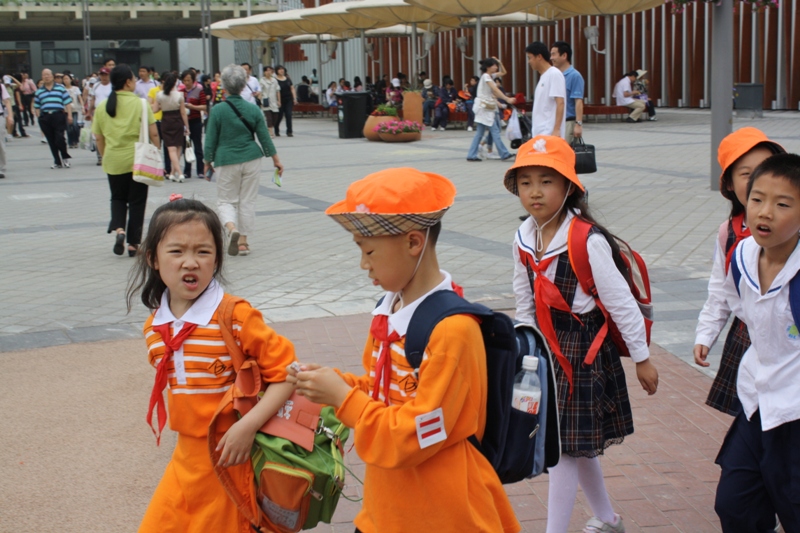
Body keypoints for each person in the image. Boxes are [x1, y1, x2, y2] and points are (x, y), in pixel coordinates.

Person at [287, 168, 521, 533]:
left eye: (368, 251)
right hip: (386, 506)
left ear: (414, 243)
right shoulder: (390, 309)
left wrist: (344, 399)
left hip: (440, 513)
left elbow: (415, 435)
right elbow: (382, 392)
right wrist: (333, 384)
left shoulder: (453, 331)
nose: (364, 264)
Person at [506, 136, 658, 533]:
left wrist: (642, 358)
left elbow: (621, 302)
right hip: (548, 353)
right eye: (525, 182)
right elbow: (523, 303)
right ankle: (608, 519)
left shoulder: (586, 240)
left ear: (569, 186)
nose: (535, 191)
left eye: (546, 181)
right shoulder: (524, 238)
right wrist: (526, 353)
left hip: (584, 353)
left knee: (563, 450)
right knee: (574, 443)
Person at [127, 197, 297, 533]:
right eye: (176, 251)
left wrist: (246, 427)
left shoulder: (235, 316)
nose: (190, 262)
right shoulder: (154, 328)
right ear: (152, 259)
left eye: (203, 252)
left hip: (231, 457)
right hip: (185, 459)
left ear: (217, 259)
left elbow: (288, 375)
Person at [715, 153, 800, 533]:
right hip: (756, 402)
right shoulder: (743, 254)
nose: (765, 212)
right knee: (735, 505)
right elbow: (738, 306)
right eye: (757, 199)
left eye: (782, 204)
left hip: (796, 412)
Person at [694, 128, 784, 416]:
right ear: (730, 185)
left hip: (788, 337)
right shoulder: (729, 233)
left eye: (766, 169)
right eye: (747, 174)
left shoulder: (792, 227)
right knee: (749, 415)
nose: (759, 180)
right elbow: (720, 290)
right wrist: (706, 335)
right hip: (747, 337)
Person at [204, 64, 284, 257]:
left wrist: (207, 161)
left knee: (226, 200)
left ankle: (232, 229)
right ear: (243, 86)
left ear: (223, 85)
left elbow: (210, 138)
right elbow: (264, 136)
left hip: (226, 159)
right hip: (251, 158)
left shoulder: (218, 110)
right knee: (247, 201)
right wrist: (275, 160)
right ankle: (243, 243)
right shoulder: (253, 109)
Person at [92, 64, 160, 257]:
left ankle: (119, 230)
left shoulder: (102, 107)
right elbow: (153, 132)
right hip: (137, 161)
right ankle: (133, 244)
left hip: (113, 160)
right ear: (128, 82)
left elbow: (97, 137)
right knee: (137, 202)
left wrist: (105, 155)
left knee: (117, 198)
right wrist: (157, 151)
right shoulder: (140, 103)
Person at [466, 58, 515, 162]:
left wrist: (500, 62)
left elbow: (504, 72)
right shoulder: (486, 77)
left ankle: (471, 154)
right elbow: (495, 89)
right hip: (485, 108)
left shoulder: (489, 76)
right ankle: (504, 153)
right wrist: (507, 99)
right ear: (488, 67)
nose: (496, 67)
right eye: (494, 65)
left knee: (480, 133)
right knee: (495, 131)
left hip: (484, 108)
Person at [152, 72, 189, 183]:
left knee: (171, 149)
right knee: (178, 148)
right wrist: (187, 126)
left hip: (166, 120)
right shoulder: (179, 95)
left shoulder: (159, 95)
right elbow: (183, 113)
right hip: (177, 121)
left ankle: (174, 173)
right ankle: (179, 173)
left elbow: (155, 110)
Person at [33, 68, 73, 169]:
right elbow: (37, 106)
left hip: (58, 115)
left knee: (60, 137)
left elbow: (67, 102)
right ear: (42, 77)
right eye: (44, 75)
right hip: (45, 117)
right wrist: (39, 117)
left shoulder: (60, 88)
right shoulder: (39, 91)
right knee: (51, 140)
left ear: (52, 76)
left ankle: (65, 158)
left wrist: (69, 115)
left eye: (48, 75)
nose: (46, 77)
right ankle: (57, 161)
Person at [526, 41, 566, 138]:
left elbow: (560, 102)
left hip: (549, 133)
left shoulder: (554, 74)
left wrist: (556, 129)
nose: (529, 61)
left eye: (530, 58)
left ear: (539, 57)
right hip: (540, 134)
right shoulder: (544, 76)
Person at [551, 41, 584, 144]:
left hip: (568, 122)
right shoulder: (554, 75)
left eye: (554, 54)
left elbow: (578, 101)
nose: (551, 58)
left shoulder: (575, 76)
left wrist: (578, 124)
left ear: (564, 55)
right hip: (555, 122)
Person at [180, 69, 207, 179]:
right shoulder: (180, 91)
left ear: (193, 80)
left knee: (197, 146)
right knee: (186, 146)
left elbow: (204, 106)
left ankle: (200, 170)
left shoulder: (199, 90)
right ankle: (187, 171)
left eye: (189, 80)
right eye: (184, 80)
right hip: (184, 122)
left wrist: (192, 107)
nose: (186, 82)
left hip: (195, 121)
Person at [148, 72, 173, 178]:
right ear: (162, 81)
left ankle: (168, 169)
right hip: (156, 120)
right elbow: (149, 105)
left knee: (168, 148)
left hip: (168, 121)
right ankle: (156, 168)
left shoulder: (171, 92)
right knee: (156, 147)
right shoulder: (154, 91)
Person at [89, 67, 114, 165]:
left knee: (108, 135)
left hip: (109, 113)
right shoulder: (96, 86)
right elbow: (93, 99)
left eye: (106, 75)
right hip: (97, 113)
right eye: (102, 75)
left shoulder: (113, 86)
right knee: (98, 135)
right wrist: (89, 112)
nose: (104, 77)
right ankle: (100, 157)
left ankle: (109, 154)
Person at [273, 65, 296, 138]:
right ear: (276, 71)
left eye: (282, 69)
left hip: (288, 99)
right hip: (279, 100)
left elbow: (292, 88)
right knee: (279, 116)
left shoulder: (288, 79)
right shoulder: (274, 80)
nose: (281, 70)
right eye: (279, 69)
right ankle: (276, 130)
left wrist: (295, 98)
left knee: (288, 115)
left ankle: (289, 131)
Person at [63, 74, 82, 149]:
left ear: (71, 79)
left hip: (75, 110)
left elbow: (79, 98)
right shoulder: (62, 89)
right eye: (64, 79)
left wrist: (83, 107)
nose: (66, 80)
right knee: (68, 127)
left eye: (67, 78)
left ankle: (76, 140)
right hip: (66, 110)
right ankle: (70, 142)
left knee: (75, 125)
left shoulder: (76, 89)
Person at [259, 65, 280, 131]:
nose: (268, 72)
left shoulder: (274, 80)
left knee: (276, 116)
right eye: (267, 70)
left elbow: (278, 91)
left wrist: (279, 100)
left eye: (270, 70)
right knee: (269, 117)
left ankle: (269, 128)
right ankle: (270, 131)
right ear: (264, 72)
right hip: (266, 101)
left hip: (274, 101)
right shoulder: (262, 80)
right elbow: (260, 91)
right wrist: (260, 100)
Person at [0, 81, 12, 179]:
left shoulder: (1, 86)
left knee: (0, 143)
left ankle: (1, 167)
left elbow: (7, 101)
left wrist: (10, 116)